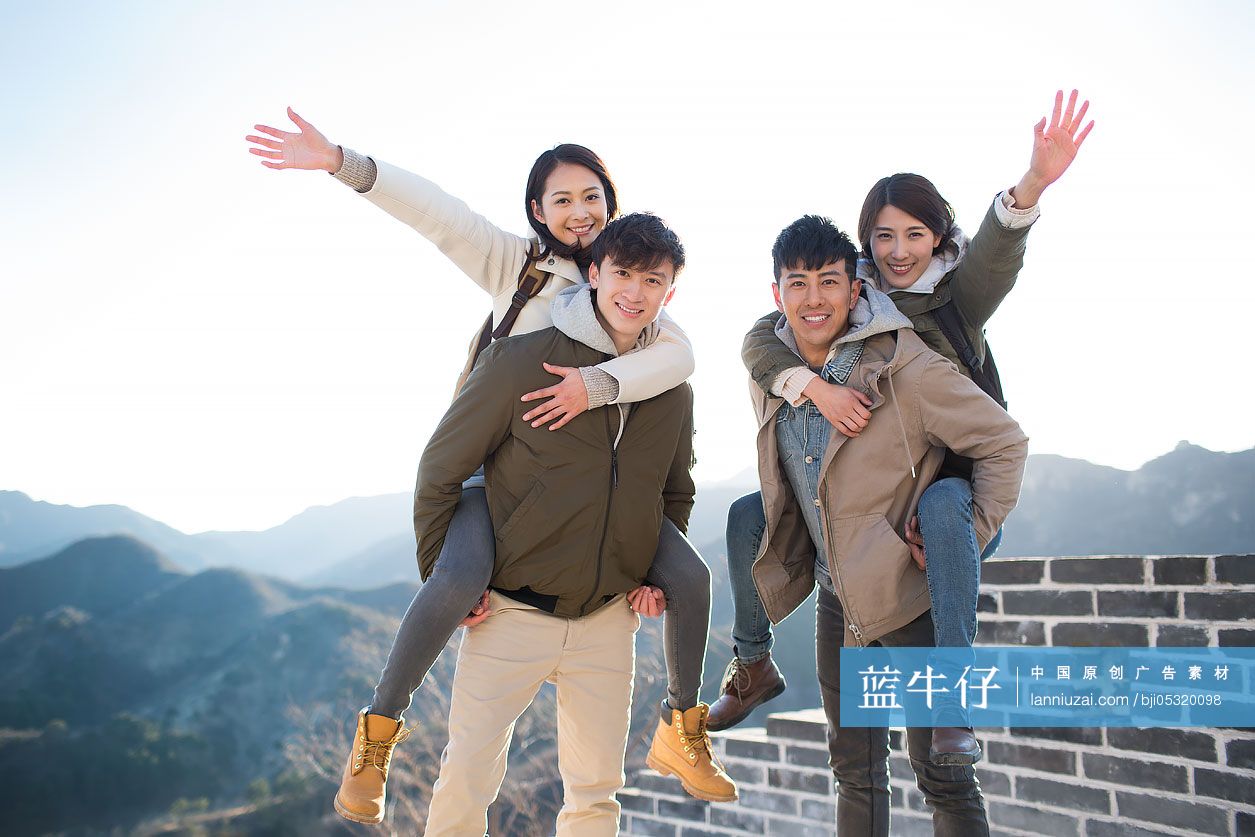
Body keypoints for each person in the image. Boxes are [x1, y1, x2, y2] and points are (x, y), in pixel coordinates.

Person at [243, 115, 723, 818]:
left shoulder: (640, 296)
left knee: (689, 574)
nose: (578, 210)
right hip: (489, 471)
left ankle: (683, 726)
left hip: (593, 508)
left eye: (591, 196)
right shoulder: (518, 268)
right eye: (560, 199)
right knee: (459, 577)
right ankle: (376, 733)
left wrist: (593, 388)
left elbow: (679, 367)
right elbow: (438, 214)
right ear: (538, 212)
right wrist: (341, 162)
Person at [711, 91, 1094, 764]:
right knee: (749, 516)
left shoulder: (954, 297)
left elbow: (997, 256)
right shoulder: (844, 295)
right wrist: (813, 389)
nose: (896, 252)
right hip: (873, 510)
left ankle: (953, 698)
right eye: (883, 236)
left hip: (954, 489)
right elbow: (758, 337)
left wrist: (1031, 183)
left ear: (938, 240)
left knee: (944, 510)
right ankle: (752, 662)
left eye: (914, 235)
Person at [400, 213, 727, 834]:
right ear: (595, 273)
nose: (635, 293)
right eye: (623, 274)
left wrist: (649, 575)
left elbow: (674, 490)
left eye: (652, 281)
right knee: (467, 780)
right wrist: (442, 574)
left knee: (597, 795)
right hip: (509, 613)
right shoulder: (521, 361)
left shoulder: (670, 385)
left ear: (670, 293)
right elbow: (441, 470)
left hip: (607, 619)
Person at [748, 215, 1027, 835]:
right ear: (777, 294)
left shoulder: (905, 365)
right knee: (855, 770)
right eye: (797, 284)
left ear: (855, 290)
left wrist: (967, 541)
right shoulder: (772, 370)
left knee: (943, 777)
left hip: (909, 601)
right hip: (837, 600)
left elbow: (1004, 443)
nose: (813, 299)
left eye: (828, 282)